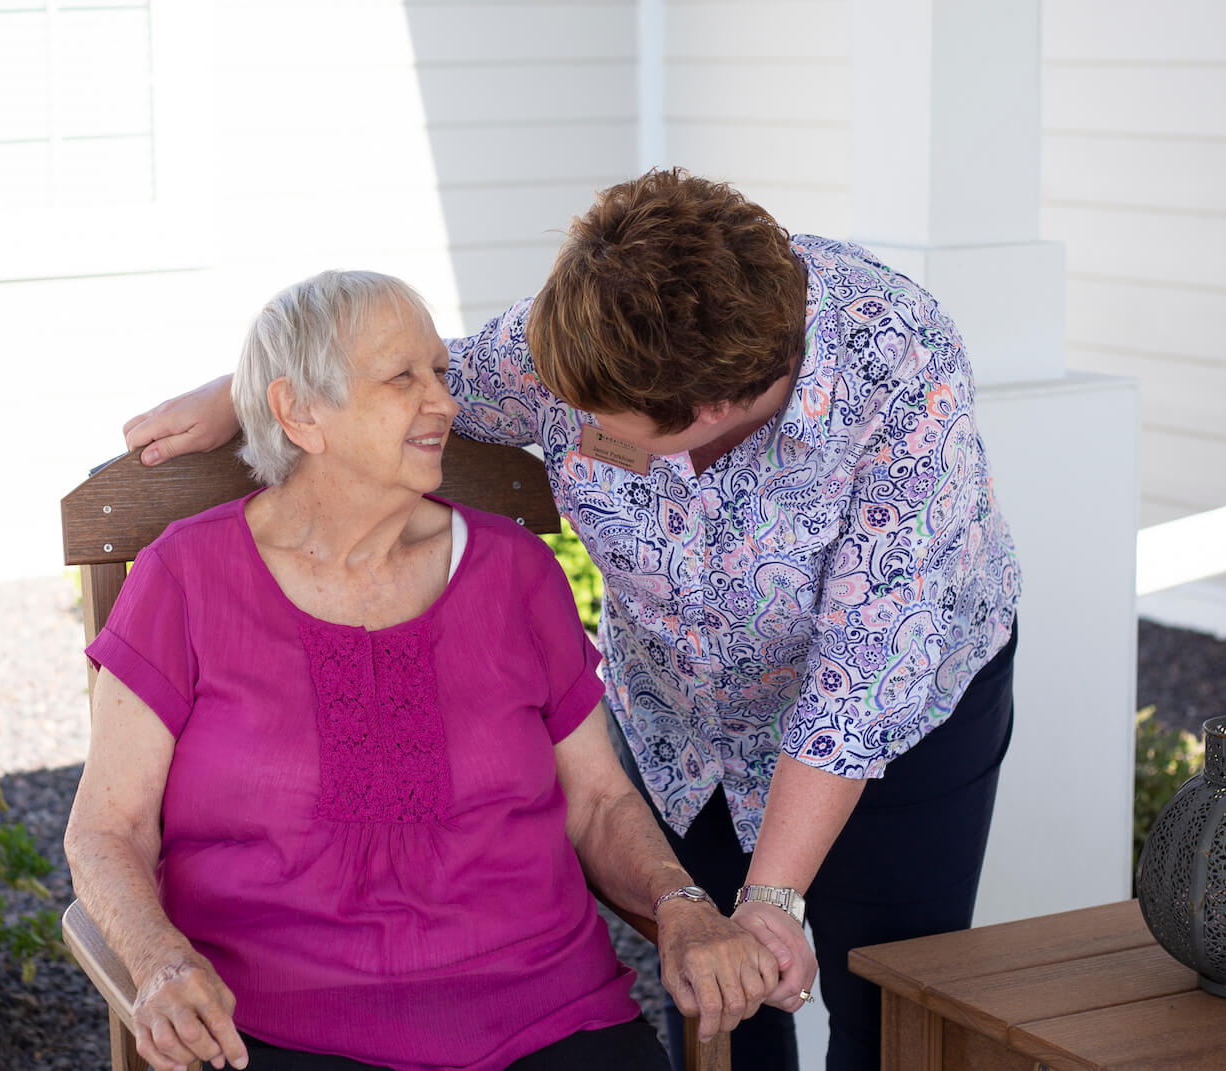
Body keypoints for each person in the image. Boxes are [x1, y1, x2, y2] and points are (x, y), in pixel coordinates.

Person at [120, 170, 1021, 1071]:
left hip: (895, 715)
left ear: (703, 415)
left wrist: (775, 895)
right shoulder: (583, 340)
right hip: (688, 717)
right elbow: (407, 386)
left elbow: (857, 678)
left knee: (888, 1010)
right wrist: (247, 393)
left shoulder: (901, 370)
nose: (565, 416)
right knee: (723, 1002)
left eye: (595, 418)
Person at [64, 268, 784, 1071]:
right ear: (299, 412)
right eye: (403, 377)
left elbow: (599, 800)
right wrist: (162, 961)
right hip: (277, 1025)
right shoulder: (185, 580)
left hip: (544, 1016)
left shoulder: (514, 572)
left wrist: (679, 901)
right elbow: (105, 828)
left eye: (440, 373)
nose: (444, 401)